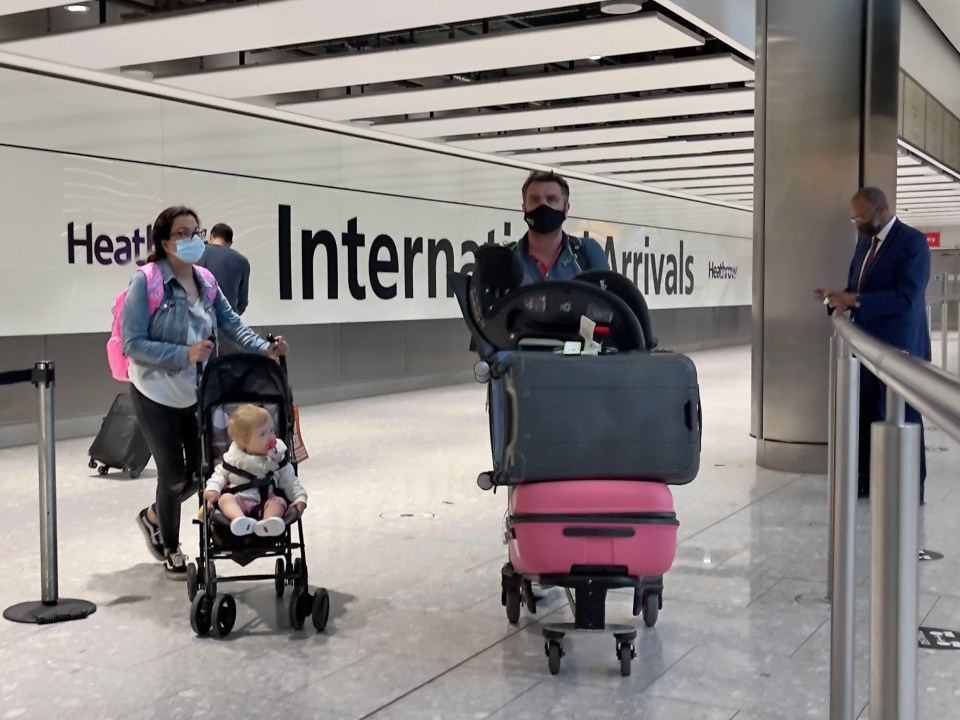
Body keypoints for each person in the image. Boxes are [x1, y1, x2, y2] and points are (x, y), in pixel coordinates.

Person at [125, 205, 288, 576]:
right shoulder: (147, 281)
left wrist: (265, 347)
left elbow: (231, 323)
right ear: (165, 242)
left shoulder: (206, 281)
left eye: (196, 232)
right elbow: (132, 343)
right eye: (183, 233)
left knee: (202, 471)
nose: (193, 240)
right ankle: (170, 544)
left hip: (196, 390)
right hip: (155, 392)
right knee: (174, 476)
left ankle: (153, 515)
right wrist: (184, 353)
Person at [815, 186, 931, 503]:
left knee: (905, 417)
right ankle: (868, 481)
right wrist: (839, 297)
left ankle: (910, 489)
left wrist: (856, 299)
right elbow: (856, 290)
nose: (857, 223)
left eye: (861, 216)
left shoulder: (912, 243)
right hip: (865, 346)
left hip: (899, 346)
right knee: (867, 412)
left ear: (880, 211)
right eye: (854, 217)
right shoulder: (865, 244)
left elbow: (906, 297)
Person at [203, 404, 307, 537]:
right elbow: (219, 475)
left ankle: (269, 522)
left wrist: (299, 497)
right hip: (239, 499)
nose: (271, 437)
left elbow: (290, 480)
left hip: (267, 500)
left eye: (272, 430)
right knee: (225, 499)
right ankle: (239, 520)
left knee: (279, 503)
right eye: (263, 433)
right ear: (244, 442)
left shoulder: (276, 458)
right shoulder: (233, 460)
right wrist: (213, 488)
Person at [514, 170, 609, 282]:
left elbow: (606, 296)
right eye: (535, 200)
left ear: (566, 209)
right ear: (524, 208)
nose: (543, 205)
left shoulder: (586, 251)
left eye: (552, 199)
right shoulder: (508, 259)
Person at [196, 223, 251, 315]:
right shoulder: (242, 261)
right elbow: (242, 301)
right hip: (228, 319)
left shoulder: (197, 253)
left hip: (201, 316)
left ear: (210, 236)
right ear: (230, 242)